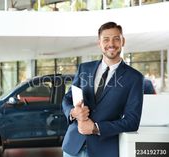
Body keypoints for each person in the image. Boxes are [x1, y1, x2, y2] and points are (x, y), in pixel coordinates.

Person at [62, 22, 144, 157]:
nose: (111, 44)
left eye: (116, 39)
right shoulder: (84, 68)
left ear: (123, 41)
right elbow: (67, 98)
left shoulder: (134, 78)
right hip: (72, 147)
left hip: (104, 150)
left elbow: (132, 121)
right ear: (99, 43)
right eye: (106, 39)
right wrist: (73, 112)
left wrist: (95, 128)